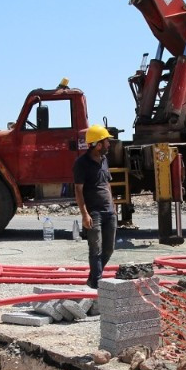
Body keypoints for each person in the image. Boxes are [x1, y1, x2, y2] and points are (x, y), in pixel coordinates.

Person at [73, 124, 117, 289]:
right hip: (94, 213)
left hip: (109, 212)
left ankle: (92, 280)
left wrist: (113, 205)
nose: (109, 145)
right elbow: (78, 190)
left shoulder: (104, 160)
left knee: (109, 250)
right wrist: (85, 214)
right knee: (95, 250)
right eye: (106, 141)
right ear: (98, 144)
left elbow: (107, 184)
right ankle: (97, 285)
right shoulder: (81, 163)